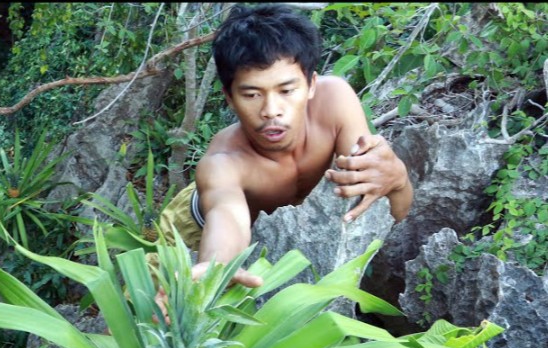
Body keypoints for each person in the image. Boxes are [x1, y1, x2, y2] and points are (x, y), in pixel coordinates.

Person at [157, 2, 413, 288]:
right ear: (229, 98)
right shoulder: (223, 164)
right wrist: (217, 265)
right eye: (252, 94)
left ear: (311, 85)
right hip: (195, 228)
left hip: (291, 235)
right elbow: (226, 215)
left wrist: (398, 179)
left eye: (287, 90)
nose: (271, 110)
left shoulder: (335, 101)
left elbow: (387, 204)